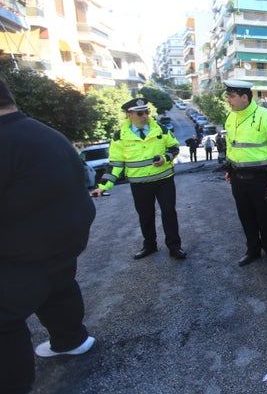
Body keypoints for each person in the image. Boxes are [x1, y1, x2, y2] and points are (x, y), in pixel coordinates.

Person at [0, 80, 96, 393]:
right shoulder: (45, 132)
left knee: (5, 317)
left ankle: (15, 384)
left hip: (23, 249)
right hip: (67, 236)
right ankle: (71, 339)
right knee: (58, 286)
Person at [90, 98, 187, 260]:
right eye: (140, 113)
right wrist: (103, 186)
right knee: (145, 216)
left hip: (164, 180)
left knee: (169, 212)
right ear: (129, 115)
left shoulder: (160, 129)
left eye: (147, 112)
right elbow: (115, 164)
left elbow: (174, 147)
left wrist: (165, 157)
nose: (145, 116)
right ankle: (150, 246)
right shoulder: (120, 136)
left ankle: (174, 247)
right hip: (140, 184)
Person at [223, 80, 267, 266]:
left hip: (261, 178)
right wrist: (229, 170)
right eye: (227, 96)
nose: (228, 100)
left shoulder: (265, 116)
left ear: (244, 97)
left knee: (264, 216)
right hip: (238, 178)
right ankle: (253, 250)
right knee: (246, 216)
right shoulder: (231, 117)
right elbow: (230, 147)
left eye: (231, 96)